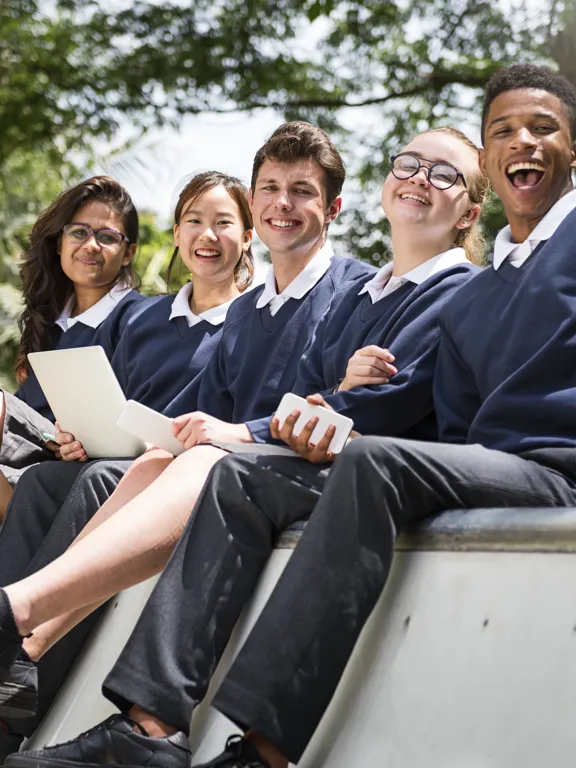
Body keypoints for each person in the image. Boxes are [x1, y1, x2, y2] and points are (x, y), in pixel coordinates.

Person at [0, 120, 493, 768]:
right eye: (271, 188)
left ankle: (32, 628)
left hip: (345, 466)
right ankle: (27, 647)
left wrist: (269, 421)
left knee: (198, 465)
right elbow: (258, 397)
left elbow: (351, 404)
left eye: (302, 191)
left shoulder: (378, 290)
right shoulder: (326, 302)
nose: (283, 204)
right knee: (148, 459)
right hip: (285, 453)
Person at [0, 176, 143, 517]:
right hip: (29, 464)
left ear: (128, 253)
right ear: (59, 242)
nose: (91, 245)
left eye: (107, 237)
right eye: (79, 232)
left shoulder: (139, 319)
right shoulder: (48, 322)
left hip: (84, 471)